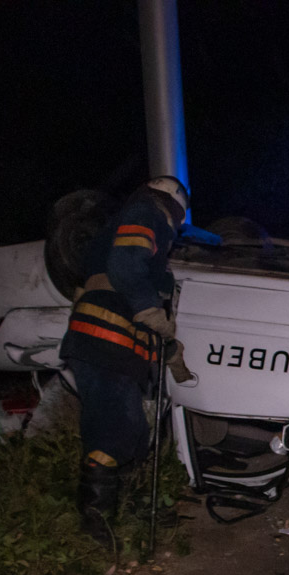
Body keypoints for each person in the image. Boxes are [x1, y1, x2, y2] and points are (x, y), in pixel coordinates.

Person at [60, 175, 192, 552]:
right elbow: (125, 267)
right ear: (174, 207)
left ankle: (130, 508)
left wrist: (168, 350)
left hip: (109, 342)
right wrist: (150, 309)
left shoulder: (124, 223)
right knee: (114, 427)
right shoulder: (146, 212)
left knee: (133, 432)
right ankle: (95, 525)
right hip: (106, 339)